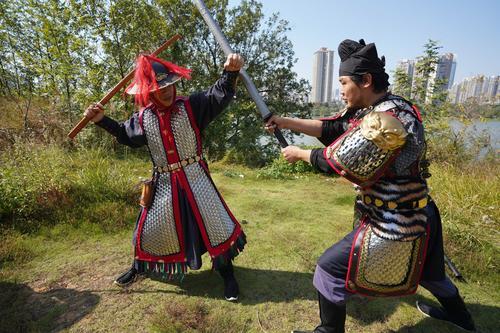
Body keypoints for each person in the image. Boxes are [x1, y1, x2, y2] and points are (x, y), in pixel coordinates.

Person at [266, 39, 475, 332]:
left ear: (365, 80)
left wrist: (300, 154)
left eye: (343, 82)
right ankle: (461, 318)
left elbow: (340, 163)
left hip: (398, 219)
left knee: (328, 269)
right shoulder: (379, 109)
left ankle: (329, 330)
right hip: (421, 212)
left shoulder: (387, 119)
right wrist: (284, 122)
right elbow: (332, 128)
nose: (340, 90)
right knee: (430, 274)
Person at [84, 52, 246, 301]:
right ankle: (140, 268)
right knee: (148, 228)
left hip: (196, 180)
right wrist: (101, 120)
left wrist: (231, 72)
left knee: (214, 225)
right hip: (164, 184)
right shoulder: (143, 119)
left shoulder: (191, 106)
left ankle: (228, 275)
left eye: (169, 84)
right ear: (148, 92)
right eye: (160, 88)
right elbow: (124, 135)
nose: (167, 91)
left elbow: (218, 94)